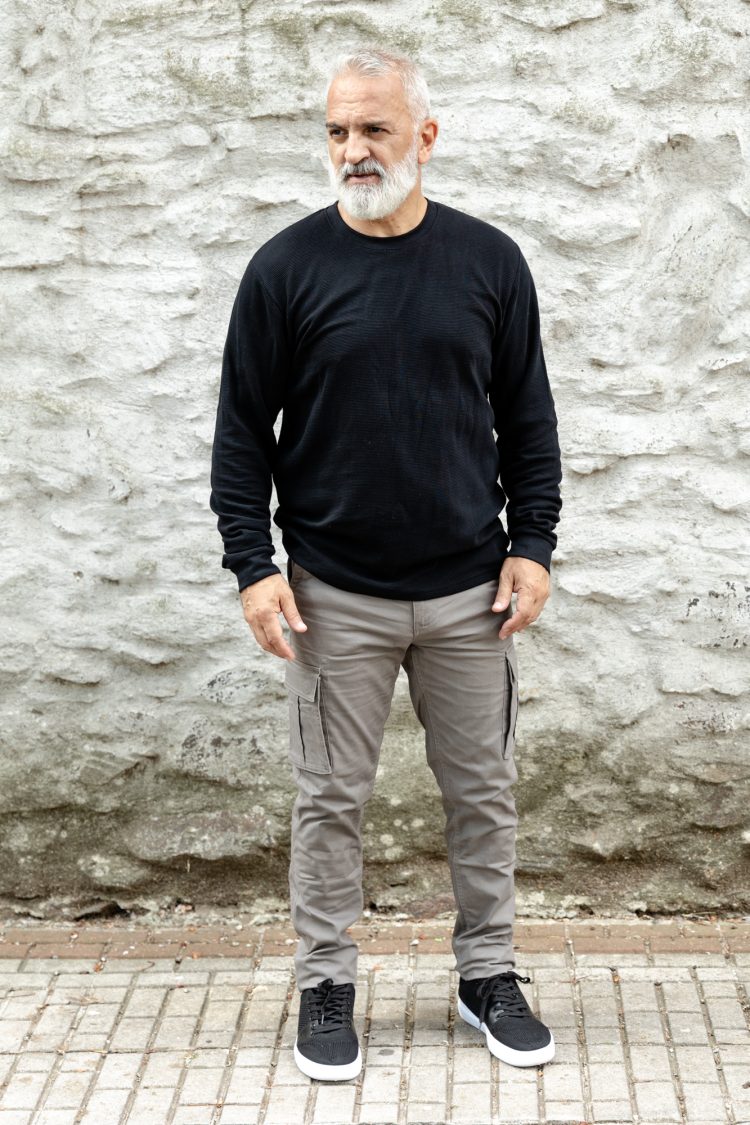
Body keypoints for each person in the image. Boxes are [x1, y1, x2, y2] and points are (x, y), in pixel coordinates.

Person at [209, 45, 562, 1082]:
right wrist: (253, 566)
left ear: (425, 136)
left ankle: (487, 975)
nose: (354, 149)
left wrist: (534, 545)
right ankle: (326, 984)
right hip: (333, 597)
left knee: (483, 792)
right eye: (337, 131)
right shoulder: (285, 269)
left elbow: (528, 418)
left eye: (374, 128)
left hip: (470, 594)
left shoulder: (488, 262)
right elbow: (242, 433)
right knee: (329, 800)